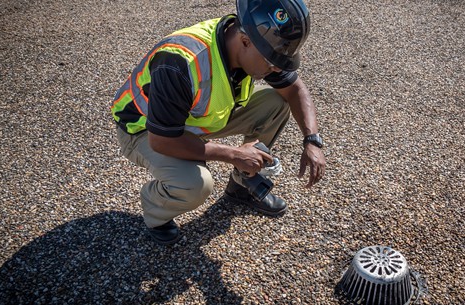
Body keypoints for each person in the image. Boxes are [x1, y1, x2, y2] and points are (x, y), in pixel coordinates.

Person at [111, 0, 325, 245]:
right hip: (144, 130)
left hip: (197, 119)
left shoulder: (254, 44)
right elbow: (162, 141)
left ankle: (241, 186)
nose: (276, 68)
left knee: (274, 105)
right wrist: (233, 154)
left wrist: (312, 140)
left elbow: (294, 90)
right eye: (271, 61)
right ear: (245, 41)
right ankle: (156, 210)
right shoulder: (181, 62)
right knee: (195, 184)